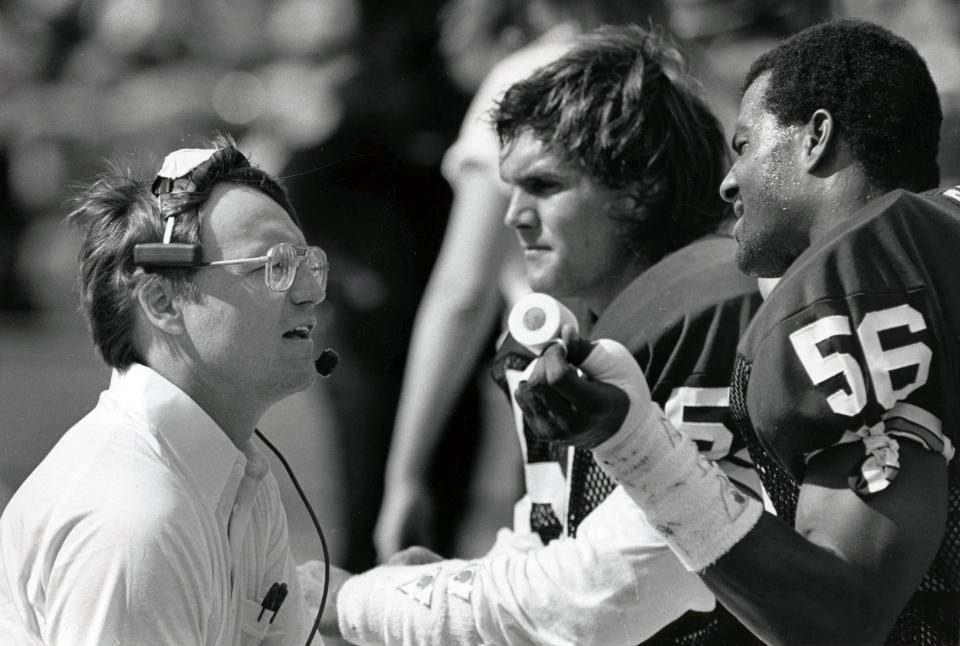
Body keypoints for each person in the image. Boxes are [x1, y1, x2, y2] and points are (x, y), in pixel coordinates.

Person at [514, 19, 960, 645]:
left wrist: (632, 441)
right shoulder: (934, 240)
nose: (729, 181)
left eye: (745, 145)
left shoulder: (857, 283)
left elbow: (839, 621)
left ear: (816, 138)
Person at [325, 24, 762, 645]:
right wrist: (454, 580)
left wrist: (359, 602)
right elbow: (553, 541)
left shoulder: (713, 312)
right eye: (511, 185)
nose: (512, 215)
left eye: (545, 185)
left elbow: (607, 596)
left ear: (639, 186)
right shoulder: (560, 331)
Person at [0, 136, 343, 645]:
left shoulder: (236, 475)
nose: (310, 292)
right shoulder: (134, 522)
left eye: (306, 262)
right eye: (270, 266)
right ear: (161, 302)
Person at [374, 0, 668, 560]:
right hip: (668, 380)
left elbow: (462, 290)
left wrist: (405, 474)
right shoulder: (669, 71)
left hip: (568, 397)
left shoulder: (525, 78)